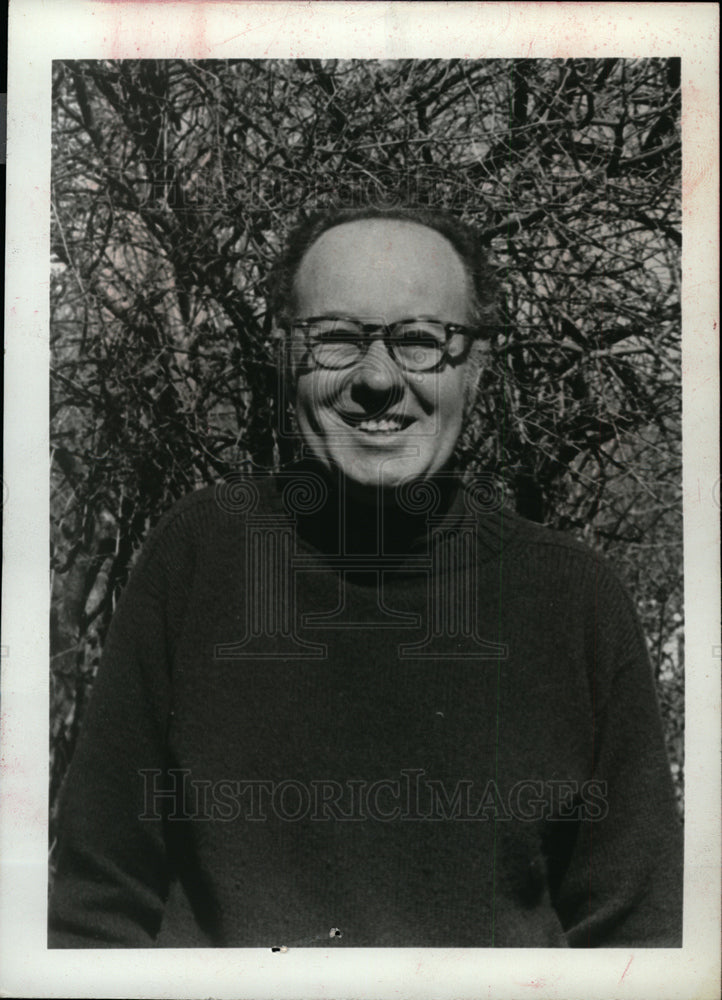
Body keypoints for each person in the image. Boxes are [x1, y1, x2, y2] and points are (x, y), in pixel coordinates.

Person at [49, 205, 683, 948]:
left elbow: (639, 945)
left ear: (476, 366)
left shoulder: (575, 601)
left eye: (420, 341)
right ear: (287, 357)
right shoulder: (196, 559)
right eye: (338, 339)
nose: (378, 378)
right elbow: (95, 912)